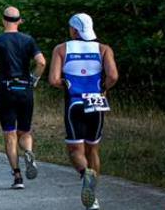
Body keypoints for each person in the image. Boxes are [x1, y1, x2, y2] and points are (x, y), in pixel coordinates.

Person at [48, 13, 119, 210]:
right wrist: (102, 88)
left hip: (75, 103)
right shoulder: (103, 49)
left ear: (73, 30)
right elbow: (113, 75)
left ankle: (84, 173)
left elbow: (53, 80)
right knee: (93, 148)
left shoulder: (61, 49)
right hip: (97, 102)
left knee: (75, 150)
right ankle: (93, 196)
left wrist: (70, 85)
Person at [0, 6, 47, 190]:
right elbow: (41, 62)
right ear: (19, 21)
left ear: (3, 20)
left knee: (9, 134)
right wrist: (34, 79)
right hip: (25, 90)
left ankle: (17, 177)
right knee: (24, 132)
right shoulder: (28, 40)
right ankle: (28, 151)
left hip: (6, 90)